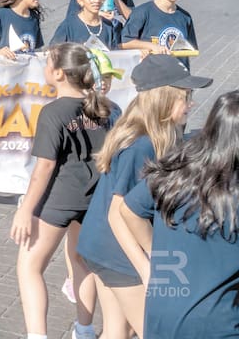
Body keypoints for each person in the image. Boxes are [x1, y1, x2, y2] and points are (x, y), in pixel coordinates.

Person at [76, 55, 212, 339]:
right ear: (162, 101)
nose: (191, 104)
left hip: (101, 245)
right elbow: (117, 213)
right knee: (152, 331)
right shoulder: (142, 145)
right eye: (184, 97)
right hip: (115, 251)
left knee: (117, 330)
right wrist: (149, 268)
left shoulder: (155, 136)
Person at [10, 43, 117, 339]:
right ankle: (84, 329)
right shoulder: (104, 107)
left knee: (29, 267)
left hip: (59, 200)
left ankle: (37, 335)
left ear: (58, 74)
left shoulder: (53, 112)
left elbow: (44, 169)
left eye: (47, 63)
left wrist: (25, 211)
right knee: (81, 263)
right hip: (94, 199)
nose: (45, 67)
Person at [118, 90, 239, 339]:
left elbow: (128, 210)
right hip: (219, 325)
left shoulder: (176, 168)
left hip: (163, 318)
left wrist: (156, 256)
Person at [120, 0, 198, 66]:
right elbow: (124, 43)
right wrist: (151, 46)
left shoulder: (185, 17)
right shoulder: (142, 12)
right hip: (151, 76)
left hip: (178, 76)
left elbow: (189, 49)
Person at [52, 0, 121, 50]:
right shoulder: (68, 25)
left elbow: (115, 53)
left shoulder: (108, 25)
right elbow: (54, 52)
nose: (97, 0)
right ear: (80, 0)